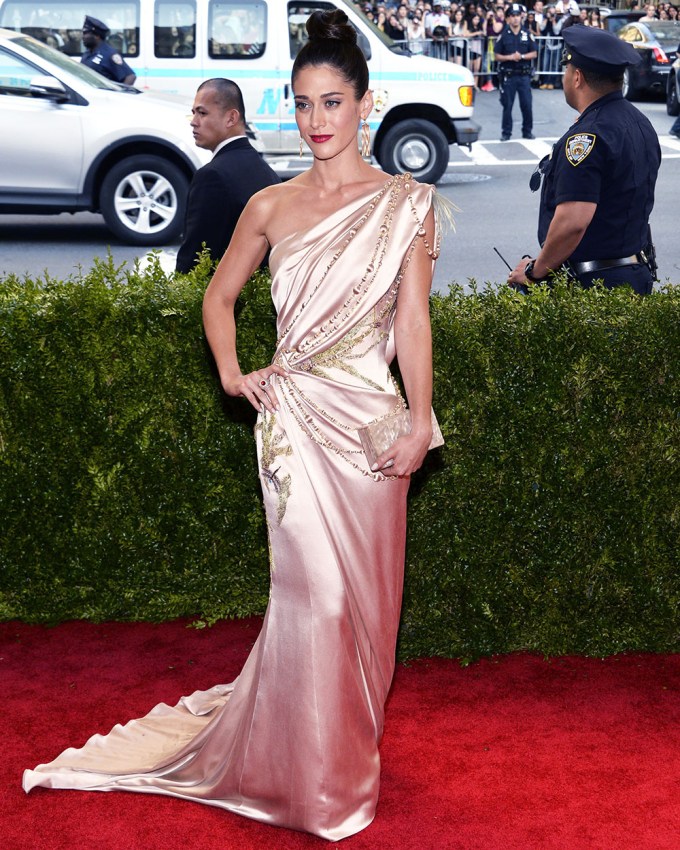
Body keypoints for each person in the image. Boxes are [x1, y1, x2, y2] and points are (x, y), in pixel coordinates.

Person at [23, 8, 444, 841]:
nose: (318, 120)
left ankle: (339, 751)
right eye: (303, 104)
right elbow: (219, 298)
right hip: (293, 426)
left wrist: (422, 420)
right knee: (316, 601)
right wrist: (232, 372)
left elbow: (414, 324)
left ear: (366, 102)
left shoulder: (407, 204)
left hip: (372, 426)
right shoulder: (268, 204)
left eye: (332, 102)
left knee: (370, 613)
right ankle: (319, 788)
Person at [507, 25, 660, 295]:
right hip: (634, 274)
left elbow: (572, 222)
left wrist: (534, 272)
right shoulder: (640, 122)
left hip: (595, 288)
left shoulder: (587, 137)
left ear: (577, 77)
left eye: (567, 69)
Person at [175, 79, 281, 274]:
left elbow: (194, 259)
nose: (193, 121)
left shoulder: (212, 176)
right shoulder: (266, 171)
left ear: (231, 118)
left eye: (202, 113)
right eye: (193, 113)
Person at [494, 3, 538, 140]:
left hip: (524, 75)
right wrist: (510, 57)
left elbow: (534, 53)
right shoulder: (504, 35)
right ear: (508, 18)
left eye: (517, 15)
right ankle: (506, 133)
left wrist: (522, 56)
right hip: (509, 75)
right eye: (512, 16)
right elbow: (496, 55)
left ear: (521, 17)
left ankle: (527, 131)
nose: (515, 18)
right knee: (507, 106)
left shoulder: (526, 33)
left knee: (527, 105)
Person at [80, 15, 136, 85]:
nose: (83, 37)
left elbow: (130, 77)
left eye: (85, 33)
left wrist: (117, 95)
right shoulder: (87, 53)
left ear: (97, 36)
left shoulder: (109, 54)